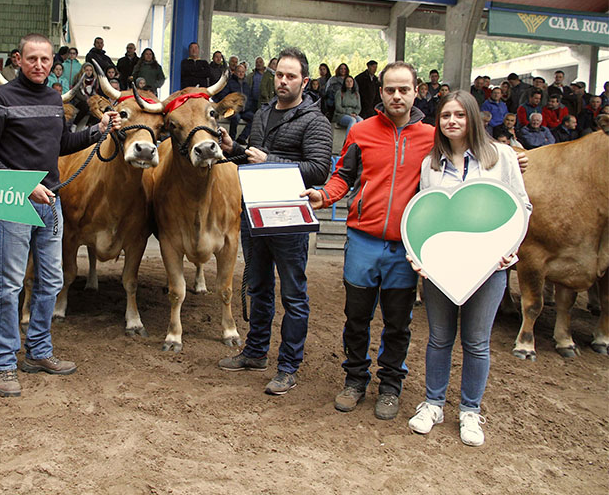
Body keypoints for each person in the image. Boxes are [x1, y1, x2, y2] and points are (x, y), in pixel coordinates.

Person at [0, 33, 121, 398]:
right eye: (32, 59)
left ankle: (38, 351)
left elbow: (61, 145)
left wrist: (97, 131)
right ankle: (4, 362)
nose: (39, 65)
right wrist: (22, 185)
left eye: (46, 60)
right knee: (9, 285)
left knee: (51, 281)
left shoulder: (55, 101)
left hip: (50, 201)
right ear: (18, 60)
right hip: (16, 202)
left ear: (54, 63)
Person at [303, 61, 434, 421]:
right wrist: (324, 196)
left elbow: (470, 160)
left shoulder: (432, 138)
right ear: (380, 92)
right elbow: (342, 176)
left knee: (398, 324)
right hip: (362, 240)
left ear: (416, 90)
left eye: (403, 89)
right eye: (390, 89)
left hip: (404, 247)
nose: (396, 95)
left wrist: (511, 159)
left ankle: (391, 387)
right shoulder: (361, 131)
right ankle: (355, 379)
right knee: (356, 318)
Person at [407, 90, 530, 447]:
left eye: (459, 115)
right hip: (441, 269)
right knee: (439, 338)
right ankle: (433, 404)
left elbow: (521, 206)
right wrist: (418, 255)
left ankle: (470, 411)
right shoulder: (430, 165)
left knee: (477, 342)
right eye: (445, 115)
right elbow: (424, 215)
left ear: (472, 118)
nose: (452, 121)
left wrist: (511, 249)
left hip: (489, 267)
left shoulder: (502, 157)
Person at [218, 47, 332, 396]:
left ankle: (288, 366)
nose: (283, 81)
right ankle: (255, 352)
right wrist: (230, 147)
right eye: (279, 74)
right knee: (258, 287)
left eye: (291, 76)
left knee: (294, 295)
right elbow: (249, 158)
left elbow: (318, 169)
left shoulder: (315, 121)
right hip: (254, 214)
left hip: (289, 220)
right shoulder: (263, 113)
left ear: (305, 81)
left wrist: (271, 159)